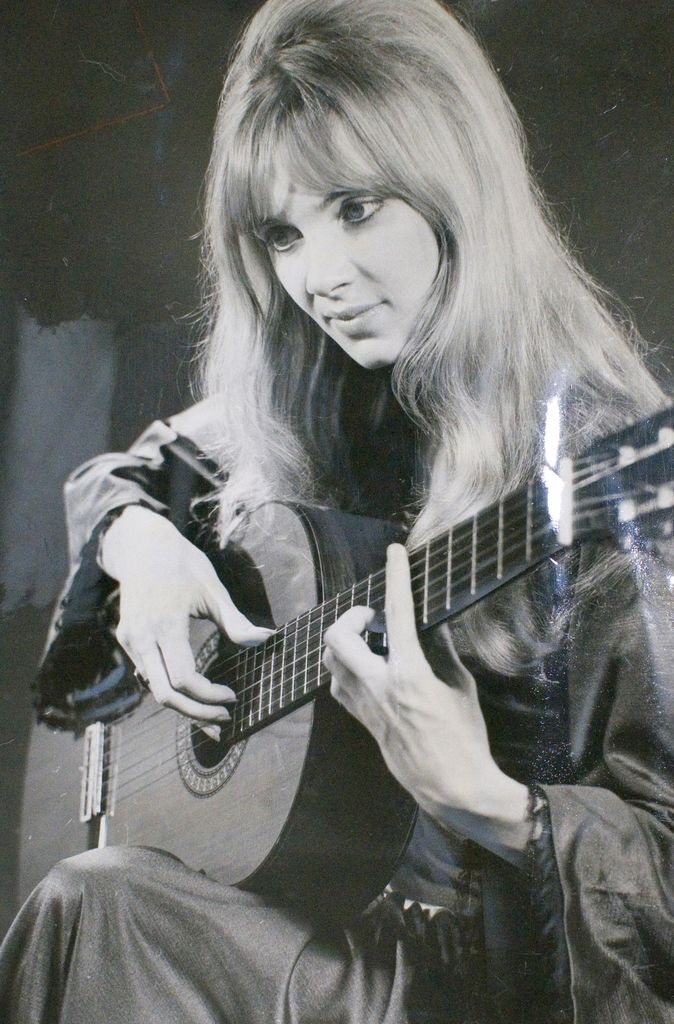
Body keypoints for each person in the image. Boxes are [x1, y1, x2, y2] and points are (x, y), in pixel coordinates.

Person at [2, 0, 672, 1021]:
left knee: (92, 907)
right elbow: (125, 476)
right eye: (282, 232)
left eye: (356, 208)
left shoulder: (601, 453)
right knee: (88, 900)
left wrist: (490, 803)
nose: (318, 277)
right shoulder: (317, 384)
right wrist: (136, 546)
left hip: (493, 986)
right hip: (336, 929)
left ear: (454, 185)